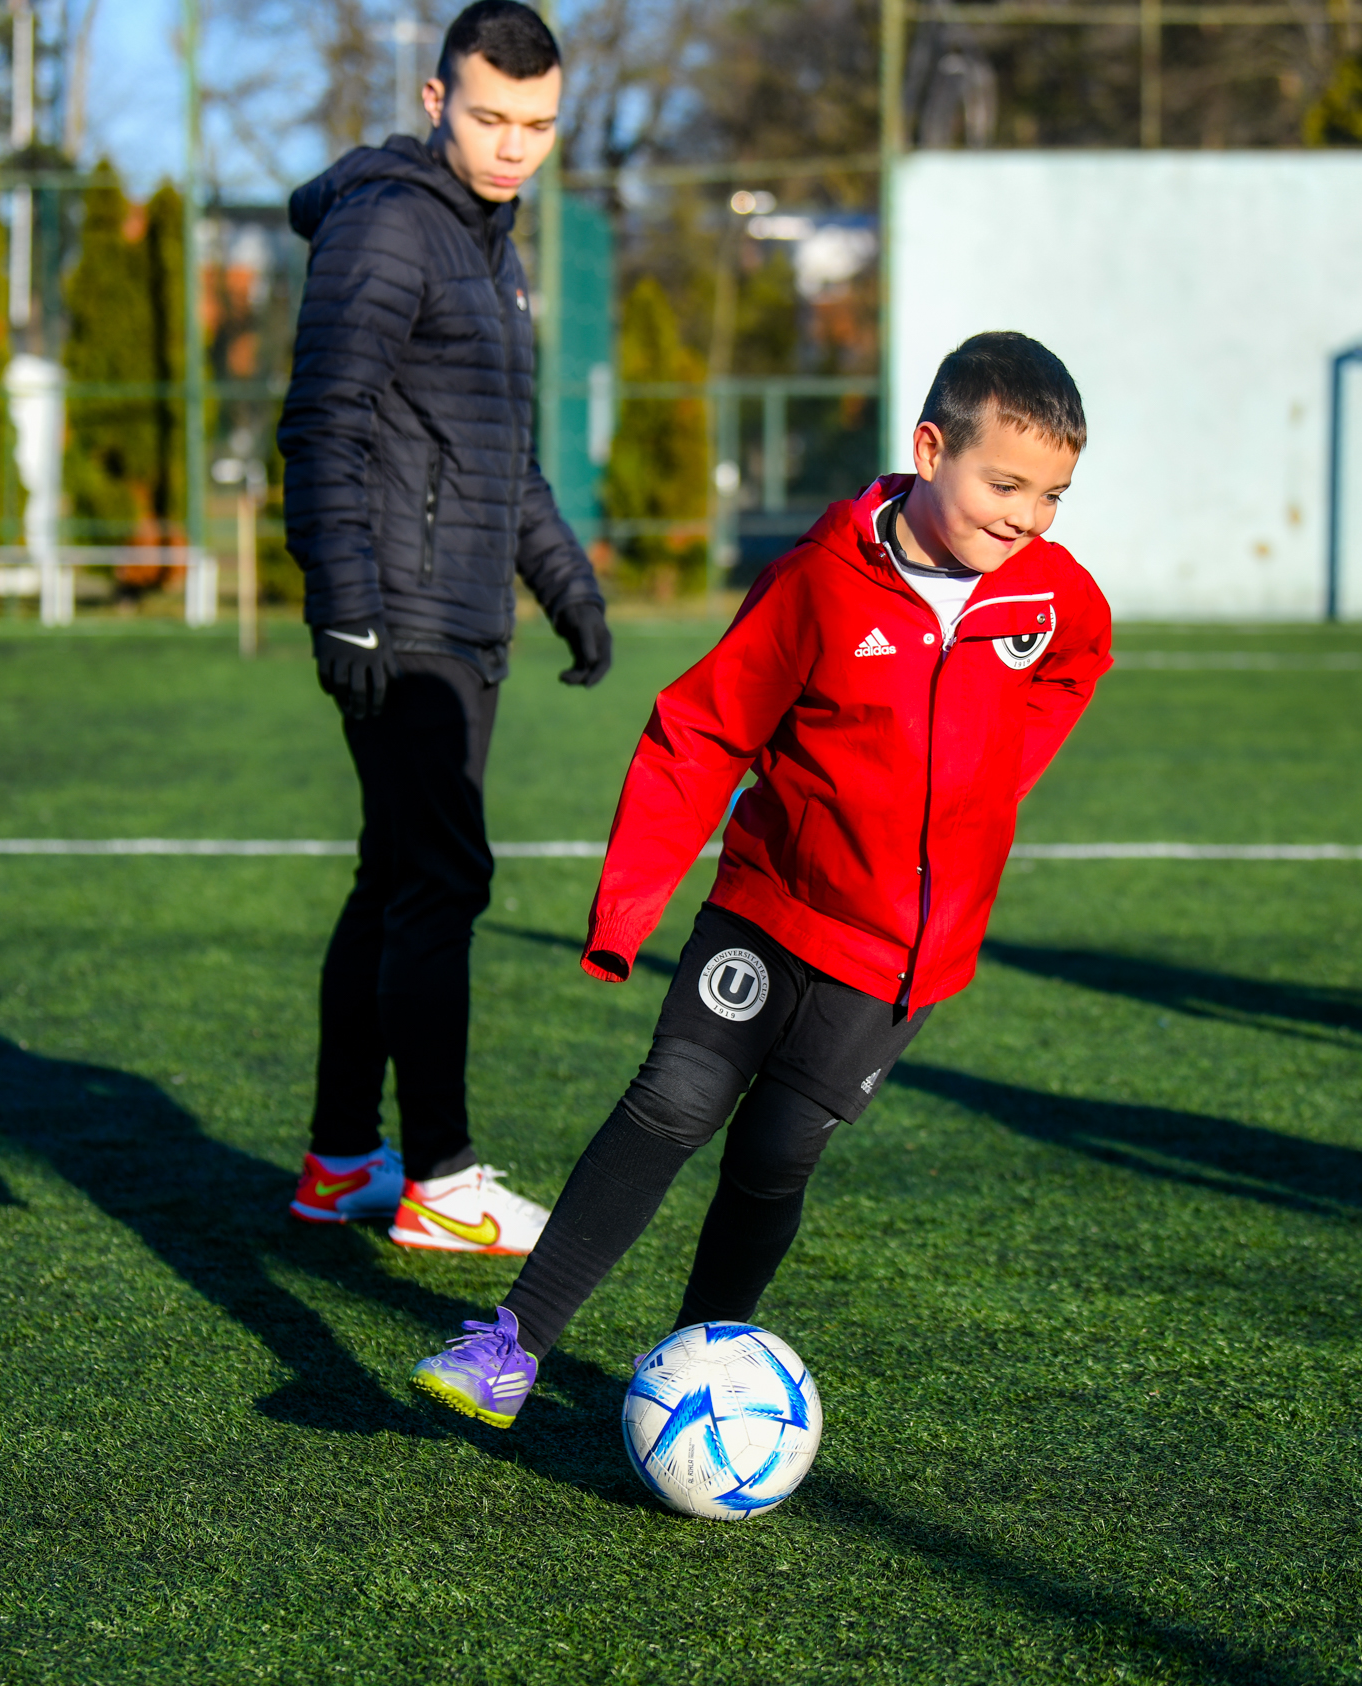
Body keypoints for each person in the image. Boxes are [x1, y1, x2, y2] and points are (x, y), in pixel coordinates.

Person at [409, 332, 1113, 1428]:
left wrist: (988, 783)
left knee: (778, 1149)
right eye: (1004, 483)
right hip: (768, 907)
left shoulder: (1052, 598)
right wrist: (625, 909)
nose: (1026, 516)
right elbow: (699, 730)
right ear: (930, 449)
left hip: (901, 954)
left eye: (1053, 494)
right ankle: (511, 1340)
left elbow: (1073, 668)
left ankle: (696, 1365)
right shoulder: (819, 582)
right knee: (672, 1099)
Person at [277, 0, 611, 1256]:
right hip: (402, 623)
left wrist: (565, 586)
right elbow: (323, 424)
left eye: (535, 124)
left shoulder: (493, 247)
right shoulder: (388, 229)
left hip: (469, 623)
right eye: (488, 117)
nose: (513, 143)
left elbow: (502, 460)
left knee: (394, 875)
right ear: (435, 103)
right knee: (441, 877)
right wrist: (347, 613)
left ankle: (340, 1160)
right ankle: (440, 1178)